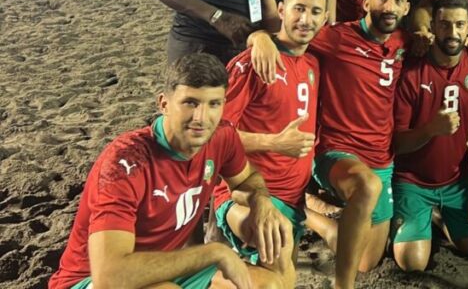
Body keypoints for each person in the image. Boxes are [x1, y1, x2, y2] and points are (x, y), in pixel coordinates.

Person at [49, 53, 291, 289]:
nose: (201, 118)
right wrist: (214, 252)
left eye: (213, 104)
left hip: (165, 267)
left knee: (269, 278)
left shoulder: (222, 136)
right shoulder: (126, 163)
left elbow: (247, 179)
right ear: (164, 104)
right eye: (190, 103)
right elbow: (109, 277)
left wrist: (261, 202)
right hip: (92, 279)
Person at [248, 0, 414, 289]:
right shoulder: (336, 38)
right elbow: (290, 33)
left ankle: (316, 215)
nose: (389, 7)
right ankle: (342, 284)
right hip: (337, 151)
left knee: (367, 260)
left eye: (398, 0)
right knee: (366, 188)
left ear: (407, 6)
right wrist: (259, 37)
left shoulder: (405, 42)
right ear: (366, 2)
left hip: (382, 157)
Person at [215, 0, 329, 289]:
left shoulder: (313, 63)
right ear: (281, 10)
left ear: (325, 17)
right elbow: (215, 136)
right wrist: (274, 142)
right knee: (278, 264)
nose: (305, 19)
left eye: (314, 12)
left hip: (292, 197)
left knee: (279, 276)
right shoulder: (253, 63)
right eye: (298, 9)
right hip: (249, 194)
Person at [392, 0, 468, 271]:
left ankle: (438, 217)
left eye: (460, 25)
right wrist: (429, 130)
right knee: (412, 263)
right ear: (433, 27)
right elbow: (397, 144)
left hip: (456, 182)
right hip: (412, 181)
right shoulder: (411, 72)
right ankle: (426, 214)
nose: (453, 33)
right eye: (445, 24)